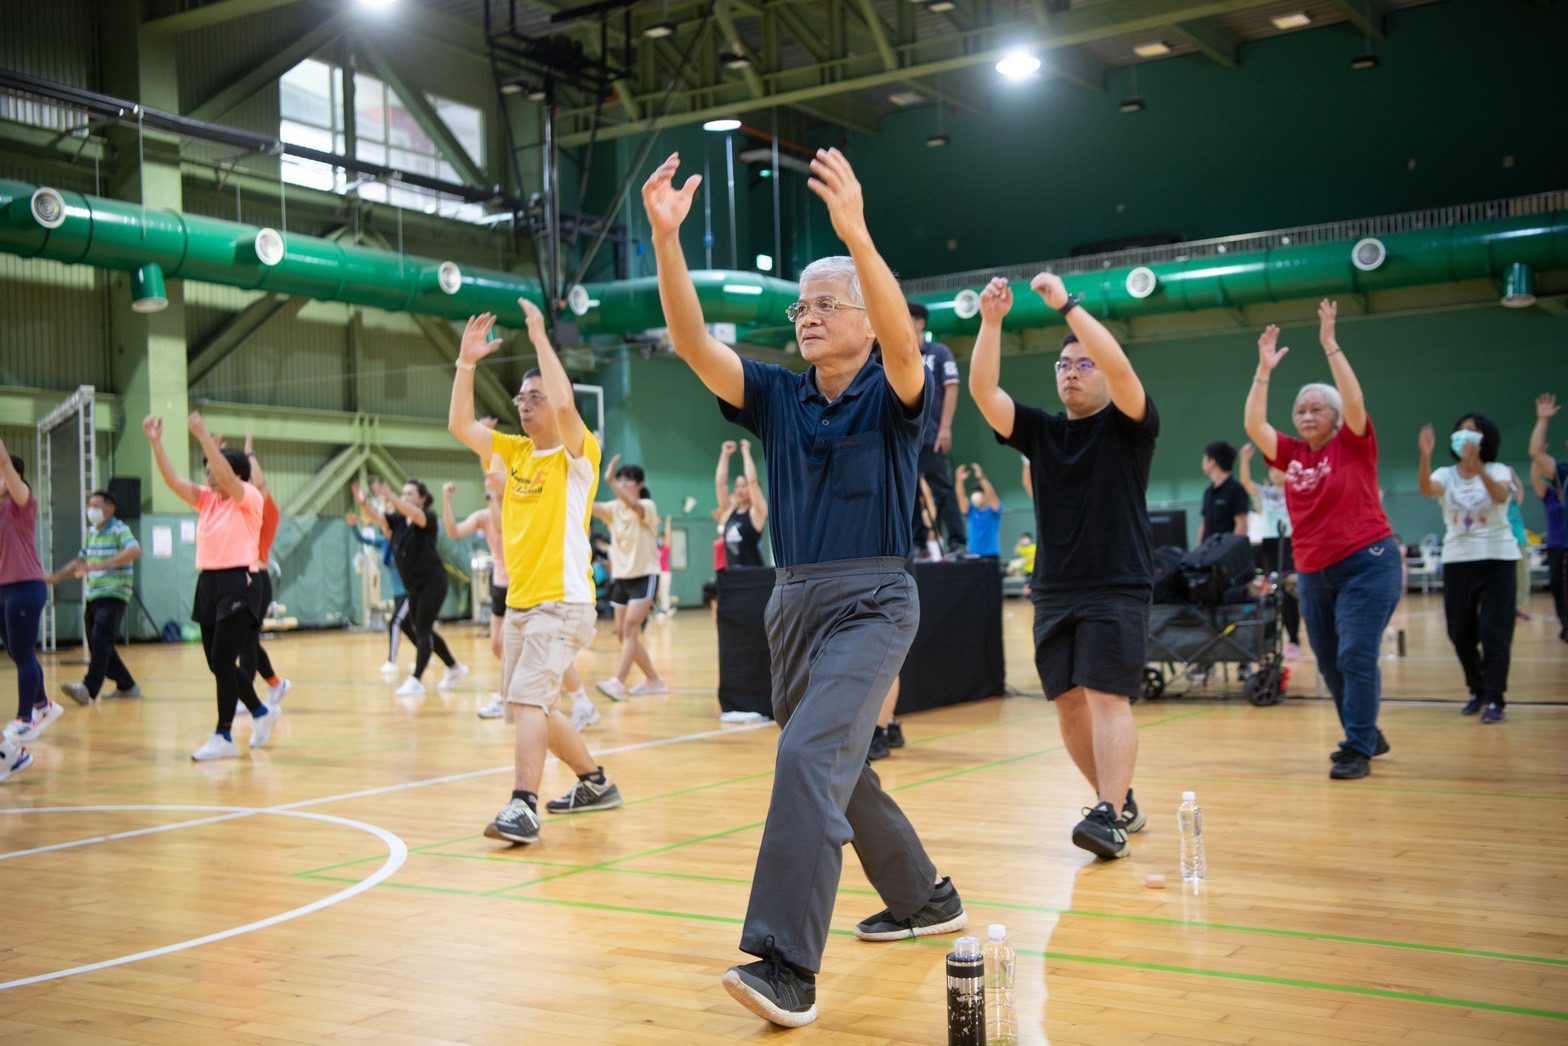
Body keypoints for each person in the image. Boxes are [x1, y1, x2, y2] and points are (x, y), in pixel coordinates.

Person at [646, 146, 964, 1029]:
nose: (809, 316)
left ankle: (787, 963)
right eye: (802, 306)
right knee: (836, 765)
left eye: (828, 304)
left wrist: (856, 234)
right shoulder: (777, 396)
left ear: (864, 316)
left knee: (806, 757)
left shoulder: (894, 390)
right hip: (792, 603)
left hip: (874, 601)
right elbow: (692, 343)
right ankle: (924, 897)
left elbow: (905, 344)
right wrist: (668, 243)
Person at [969, 273, 1156, 859]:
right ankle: (1116, 802)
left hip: (1116, 583)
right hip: (1053, 589)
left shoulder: (1129, 427)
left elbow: (1121, 369)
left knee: (1106, 695)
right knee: (1069, 701)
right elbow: (983, 391)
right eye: (1063, 365)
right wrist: (991, 323)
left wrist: (1068, 308)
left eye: (1083, 364)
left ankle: (1108, 816)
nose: (1070, 372)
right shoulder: (1042, 433)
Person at [447, 300, 623, 845]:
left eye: (534, 397)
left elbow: (566, 403)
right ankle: (595, 782)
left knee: (528, 701)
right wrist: (466, 363)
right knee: (535, 710)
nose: (525, 405)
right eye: (521, 398)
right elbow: (459, 425)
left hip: (562, 602)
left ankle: (523, 806)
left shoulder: (577, 457)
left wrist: (541, 336)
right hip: (522, 603)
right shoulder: (513, 452)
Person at [1245, 301, 1402, 779]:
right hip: (1314, 572)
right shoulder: (1292, 453)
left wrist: (1330, 344)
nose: (1307, 415)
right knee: (1332, 662)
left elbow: (1355, 400)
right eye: (1301, 409)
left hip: (1367, 562)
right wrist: (1263, 371)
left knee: (1355, 653)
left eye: (1317, 408)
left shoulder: (1353, 441)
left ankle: (1356, 747)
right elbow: (1254, 426)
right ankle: (1365, 732)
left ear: (1335, 416)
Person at [144, 412, 279, 761]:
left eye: (215, 469)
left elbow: (228, 478)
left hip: (240, 581)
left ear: (236, 473)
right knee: (217, 664)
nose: (209, 474)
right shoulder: (206, 500)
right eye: (206, 471)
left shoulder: (249, 496)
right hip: (208, 582)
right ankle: (260, 711)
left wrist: (204, 436)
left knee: (222, 660)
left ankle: (224, 735)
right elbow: (173, 480)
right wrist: (156, 444)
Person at [1418, 413, 1519, 724]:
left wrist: (1478, 468)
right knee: (1459, 631)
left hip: (1498, 557)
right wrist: (1425, 456)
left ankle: (1496, 699)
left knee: (1494, 632)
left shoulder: (1499, 470)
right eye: (1460, 430)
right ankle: (1479, 689)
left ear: (1485, 438)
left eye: (1472, 431)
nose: (1464, 435)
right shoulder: (1446, 474)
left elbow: (1500, 496)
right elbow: (1427, 489)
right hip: (1458, 559)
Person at [352, 477, 466, 697]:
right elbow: (377, 517)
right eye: (403, 494)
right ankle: (454, 667)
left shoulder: (427, 518)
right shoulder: (398, 522)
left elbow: (414, 514)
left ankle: (416, 680)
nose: (405, 497)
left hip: (433, 582)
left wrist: (390, 495)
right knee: (421, 629)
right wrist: (363, 503)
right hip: (414, 587)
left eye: (410, 494)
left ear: (422, 499)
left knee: (422, 630)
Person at [48, 489, 142, 704]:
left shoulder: (120, 529)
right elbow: (80, 561)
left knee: (100, 640)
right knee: (99, 643)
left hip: (114, 593)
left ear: (111, 508)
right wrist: (58, 576)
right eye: (90, 506)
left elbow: (135, 550)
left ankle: (88, 689)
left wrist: (102, 565)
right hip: (94, 595)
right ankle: (127, 685)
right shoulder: (91, 533)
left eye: (96, 506)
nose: (92, 510)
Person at [1, 438, 58, 762]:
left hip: (25, 586)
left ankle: (25, 719)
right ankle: (43, 704)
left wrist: (3, 461)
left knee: (22, 652)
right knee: (15, 650)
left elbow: (5, 465)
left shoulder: (22, 505)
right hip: (3, 589)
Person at [592, 455, 668, 699]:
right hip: (622, 578)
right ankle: (654, 680)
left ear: (640, 484)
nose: (623, 483)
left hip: (644, 575)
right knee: (624, 635)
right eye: (620, 479)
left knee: (630, 627)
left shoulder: (647, 506)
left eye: (628, 480)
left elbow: (633, 505)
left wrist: (610, 481)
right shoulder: (613, 509)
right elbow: (589, 505)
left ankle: (618, 681)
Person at [234, 435, 290, 716]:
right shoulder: (241, 508)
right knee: (247, 641)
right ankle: (276, 684)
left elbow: (261, 484)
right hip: (238, 579)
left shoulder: (264, 506)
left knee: (245, 642)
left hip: (257, 580)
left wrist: (249, 455)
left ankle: (247, 697)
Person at [909, 302, 966, 553]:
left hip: (932, 435)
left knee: (942, 488)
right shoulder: (895, 354)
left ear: (920, 322)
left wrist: (945, 427)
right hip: (906, 438)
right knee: (909, 493)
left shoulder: (939, 353)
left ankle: (957, 541)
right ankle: (916, 544)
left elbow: (952, 387)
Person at [1237, 442, 1303, 659]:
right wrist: (1244, 460)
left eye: (1280, 469)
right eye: (1272, 469)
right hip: (1271, 546)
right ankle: (1272, 641)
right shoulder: (1265, 494)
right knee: (1273, 593)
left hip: (1292, 543)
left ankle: (1294, 640)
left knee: (1292, 592)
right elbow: (1246, 482)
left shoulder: (1296, 491)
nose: (1276, 473)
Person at [348, 512, 410, 672]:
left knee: (395, 623)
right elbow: (364, 539)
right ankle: (427, 653)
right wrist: (354, 526)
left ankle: (391, 662)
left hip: (408, 592)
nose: (384, 528)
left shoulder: (403, 542)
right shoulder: (384, 543)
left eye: (386, 526)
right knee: (408, 627)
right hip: (397, 593)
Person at [1528, 392, 1567, 641]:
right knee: (1560, 588)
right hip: (1560, 546)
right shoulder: (1561, 478)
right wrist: (1543, 420)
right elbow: (1536, 454)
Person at [713, 439, 768, 568]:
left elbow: (753, 482)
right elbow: (720, 485)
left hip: (753, 574)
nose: (739, 490)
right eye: (737, 486)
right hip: (732, 575)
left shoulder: (756, 512)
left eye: (743, 486)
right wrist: (725, 455)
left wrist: (746, 452)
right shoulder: (729, 511)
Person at [1197, 440, 1249, 543]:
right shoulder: (1208, 492)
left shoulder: (1236, 489)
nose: (1202, 463)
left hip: (1226, 550)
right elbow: (1204, 525)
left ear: (1212, 462)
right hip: (1208, 550)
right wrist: (1199, 549)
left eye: (1205, 458)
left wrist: (1230, 549)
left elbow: (1242, 524)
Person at [954, 462, 1002, 559]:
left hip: (991, 555)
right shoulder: (972, 510)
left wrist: (981, 478)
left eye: (979, 492)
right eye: (974, 492)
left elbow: (991, 495)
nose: (976, 495)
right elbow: (960, 497)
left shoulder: (993, 509)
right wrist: (959, 480)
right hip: (973, 555)